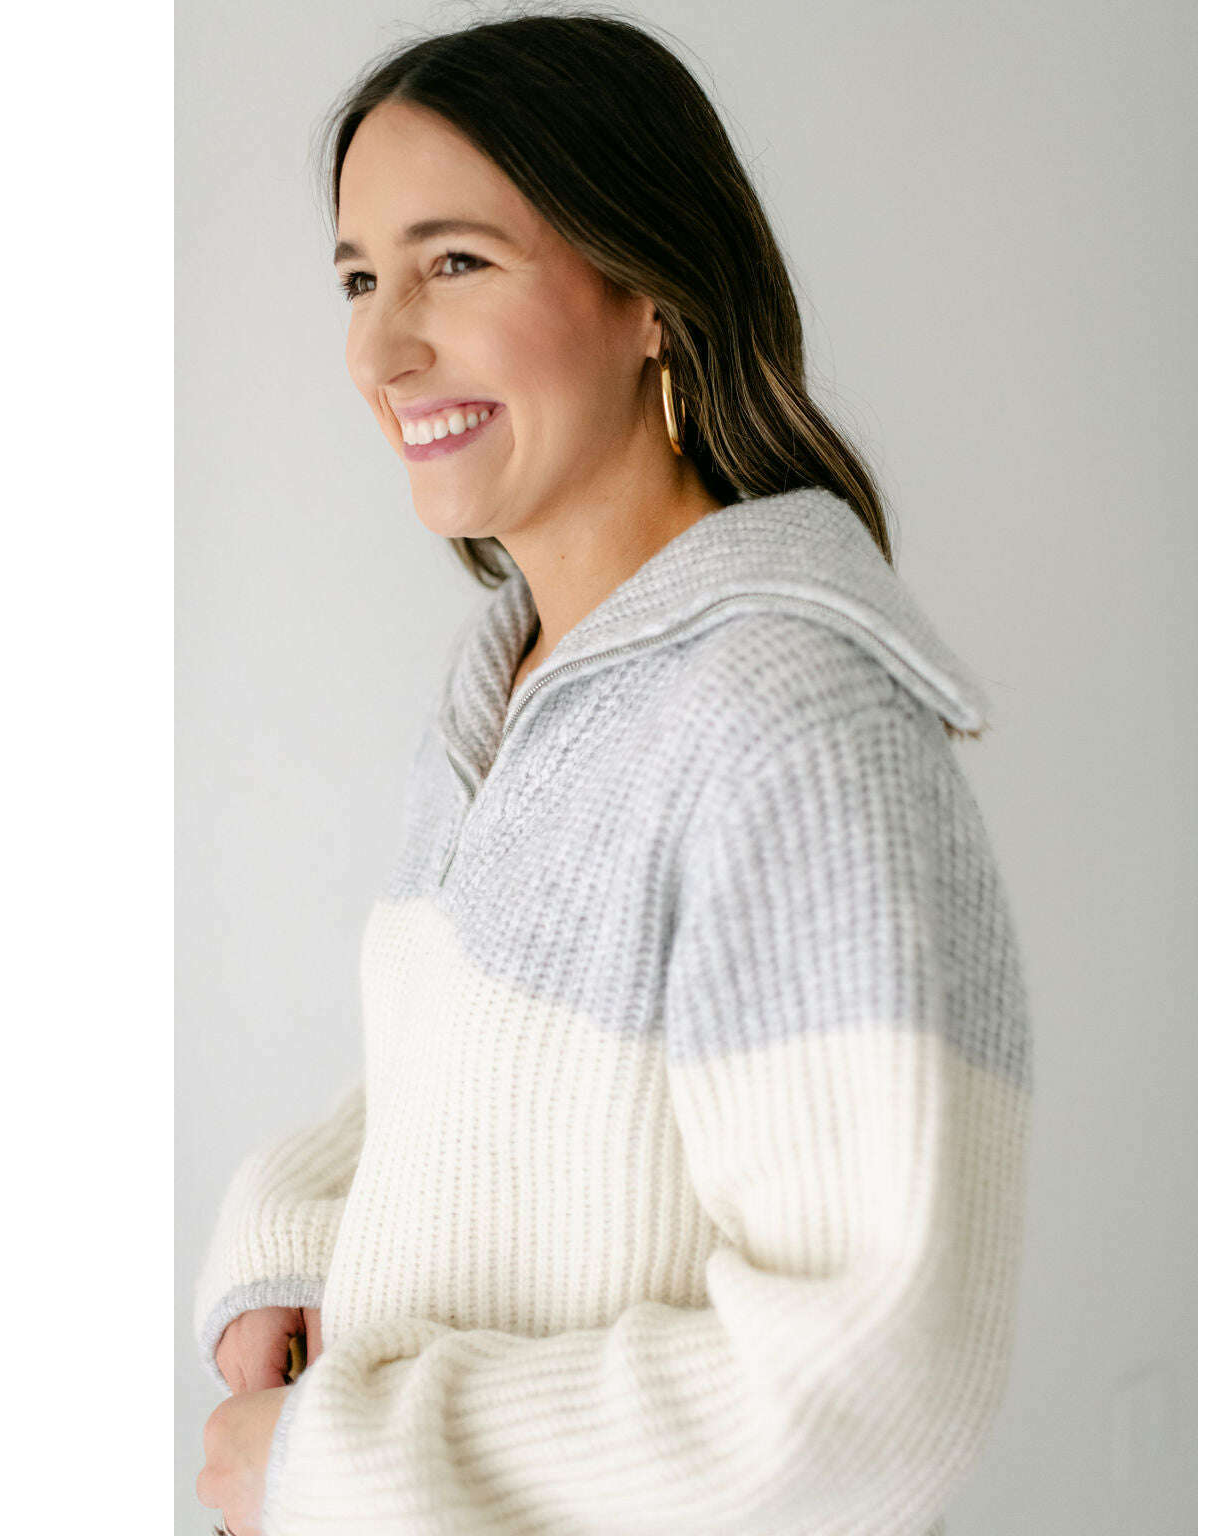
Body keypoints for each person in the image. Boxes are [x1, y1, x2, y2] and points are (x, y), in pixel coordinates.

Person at [193, 13, 1032, 1535]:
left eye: (456, 263)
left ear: (651, 291)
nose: (380, 351)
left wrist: (343, 1466)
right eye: (361, 278)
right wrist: (304, 1234)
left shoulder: (786, 720)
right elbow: (488, 1076)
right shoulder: (513, 680)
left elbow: (874, 1382)